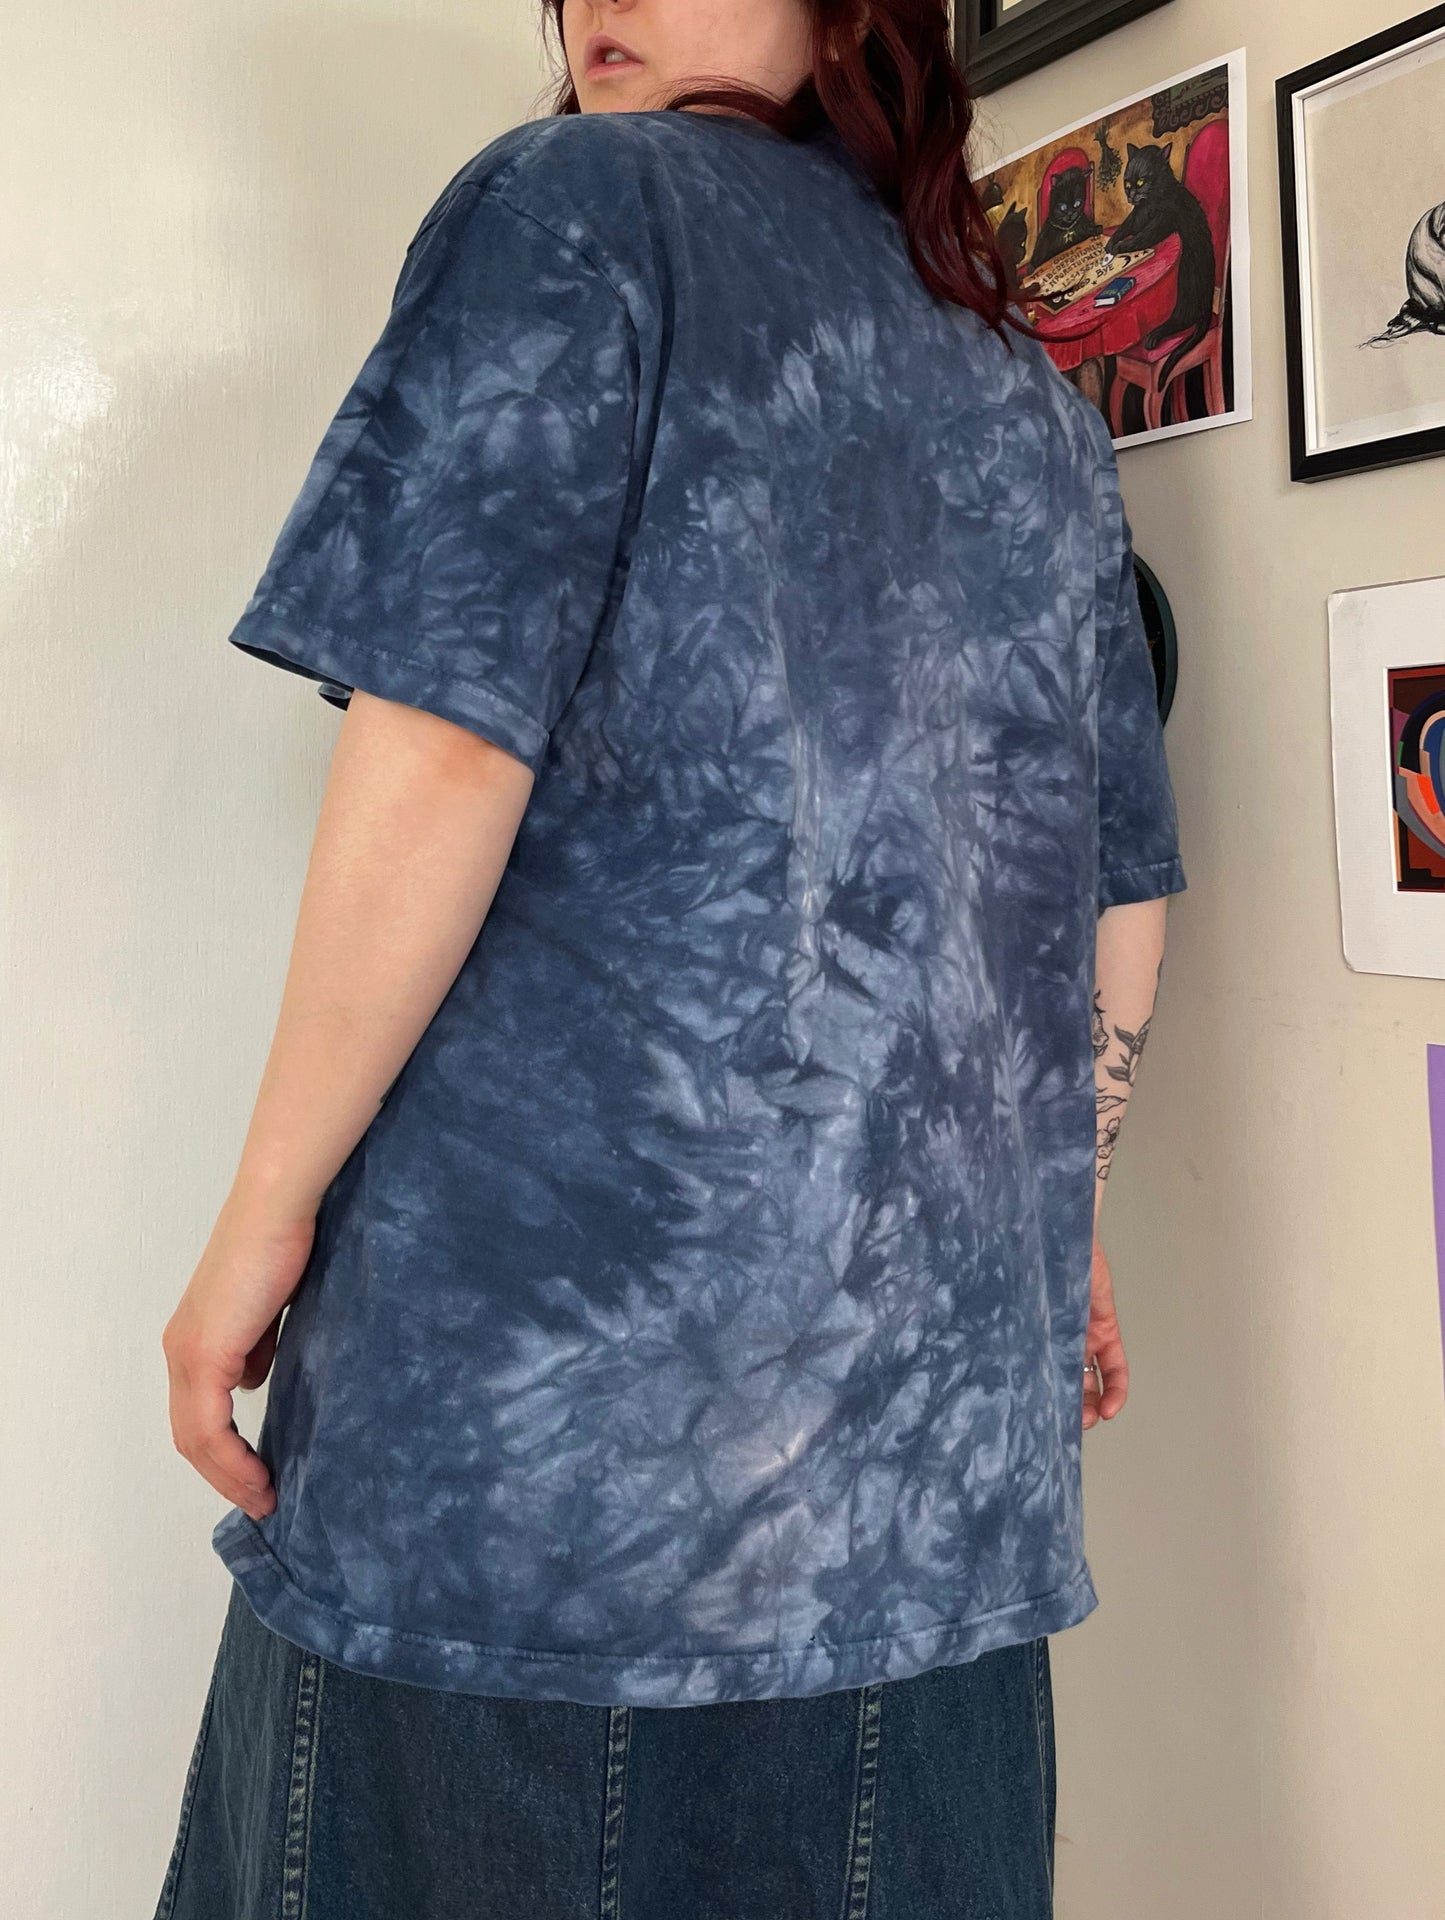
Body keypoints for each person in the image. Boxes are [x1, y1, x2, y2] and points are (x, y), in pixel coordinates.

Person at [153, 1, 1185, 1915]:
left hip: (550, 1499)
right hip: (932, 1498)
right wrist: (1061, 1217)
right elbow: (1108, 885)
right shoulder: (1022, 380)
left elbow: (447, 745)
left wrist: (261, 1217)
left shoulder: (576, 204)